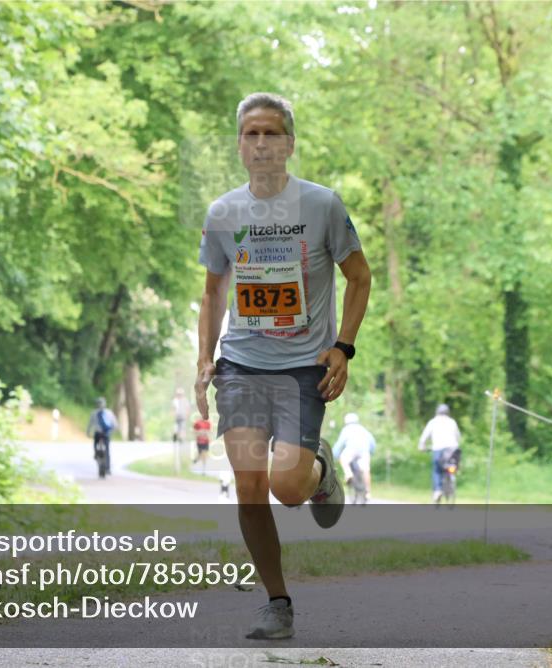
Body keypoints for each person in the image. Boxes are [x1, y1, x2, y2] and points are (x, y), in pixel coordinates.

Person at [195, 92, 371, 639]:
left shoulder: (321, 206)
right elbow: (213, 290)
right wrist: (204, 358)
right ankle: (277, 603)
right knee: (249, 486)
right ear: (240, 145)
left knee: (286, 489)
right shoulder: (223, 213)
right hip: (242, 365)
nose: (262, 143)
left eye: (273, 133)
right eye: (252, 133)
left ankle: (318, 472)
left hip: (302, 366)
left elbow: (360, 277)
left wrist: (343, 347)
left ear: (289, 144)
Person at [418, 404, 461, 504]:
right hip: (453, 450)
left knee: (437, 470)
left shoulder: (433, 422)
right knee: (452, 465)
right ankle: (451, 482)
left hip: (438, 449)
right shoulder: (452, 422)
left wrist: (422, 446)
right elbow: (458, 437)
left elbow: (424, 437)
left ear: (437, 412)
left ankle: (437, 490)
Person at [333, 413, 376, 504]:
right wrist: (371, 452)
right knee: (366, 470)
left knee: (343, 458)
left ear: (346, 422)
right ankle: (368, 492)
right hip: (364, 450)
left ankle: (348, 474)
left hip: (352, 449)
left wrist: (334, 455)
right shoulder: (363, 429)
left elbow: (339, 444)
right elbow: (372, 443)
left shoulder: (346, 429)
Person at [86, 397, 118, 475]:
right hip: (106, 433)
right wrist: (112, 431)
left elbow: (90, 424)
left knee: (96, 445)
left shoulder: (94, 413)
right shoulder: (109, 412)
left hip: (99, 433)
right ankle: (108, 468)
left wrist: (88, 432)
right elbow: (115, 424)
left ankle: (96, 454)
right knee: (107, 450)